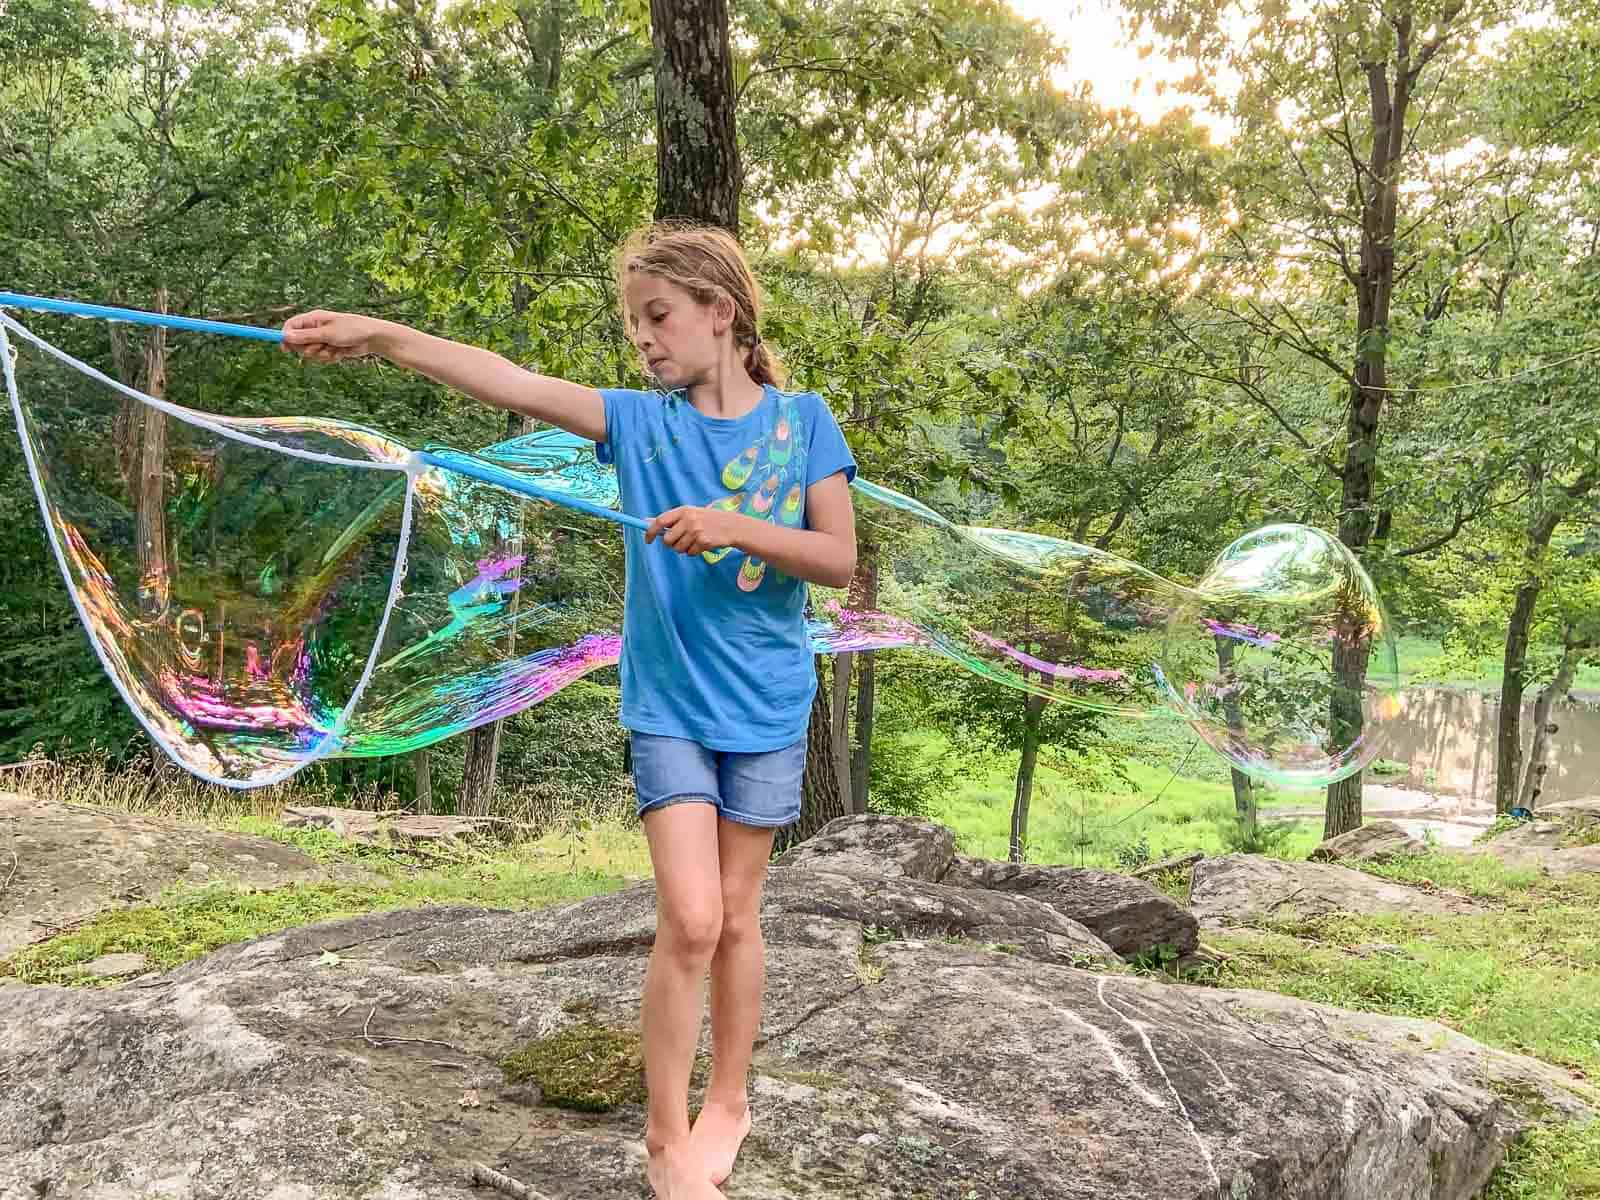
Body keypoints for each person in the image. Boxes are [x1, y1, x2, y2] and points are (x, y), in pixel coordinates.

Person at [281, 221, 858, 1200]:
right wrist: (380, 335)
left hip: (767, 706)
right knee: (688, 917)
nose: (644, 337)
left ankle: (730, 1102)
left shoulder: (804, 424)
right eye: (635, 321)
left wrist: (729, 523)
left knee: (738, 920)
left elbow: (839, 561)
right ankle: (669, 1141)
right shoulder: (638, 424)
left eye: (659, 316)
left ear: (722, 313)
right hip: (668, 706)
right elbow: (504, 379)